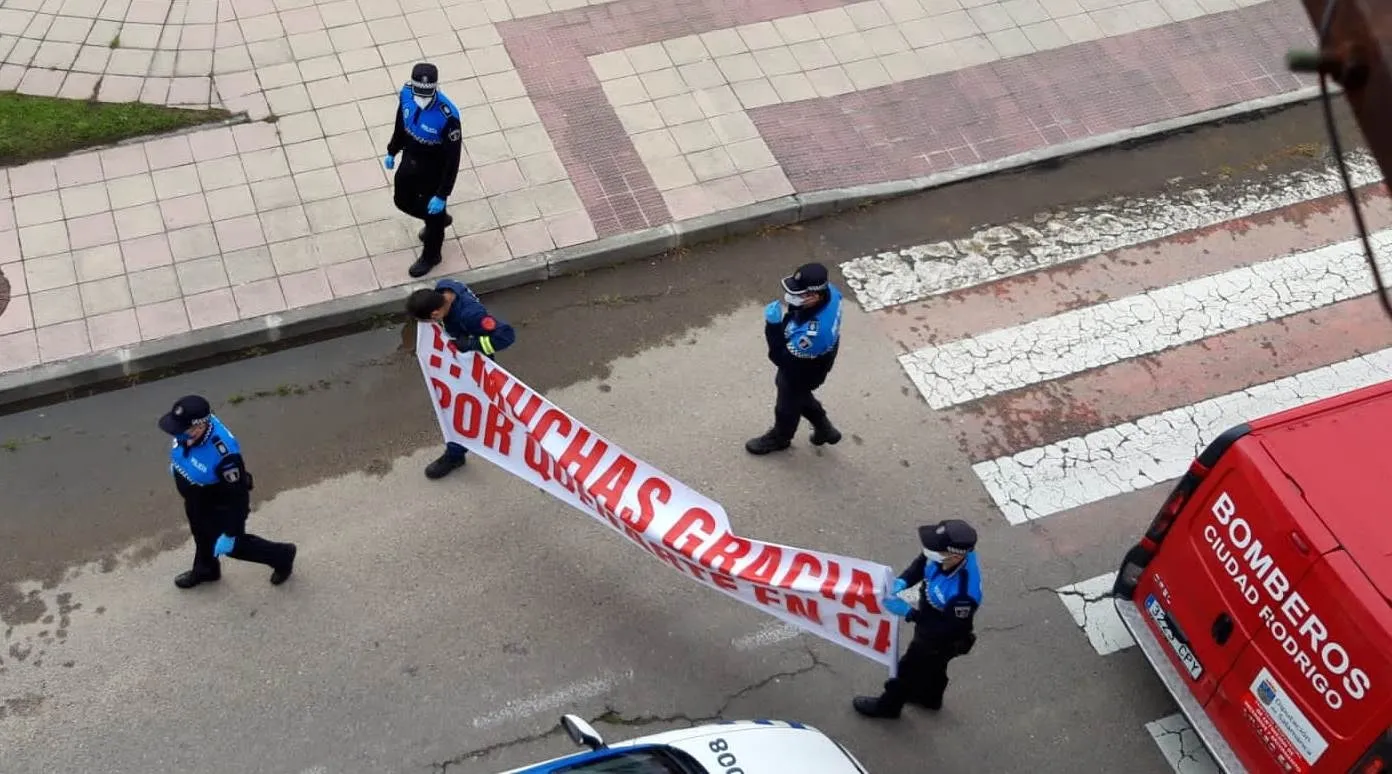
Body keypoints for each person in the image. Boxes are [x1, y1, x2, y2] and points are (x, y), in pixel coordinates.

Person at [158, 395, 297, 590]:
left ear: (199, 428)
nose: (175, 434)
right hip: (196, 498)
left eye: (180, 431)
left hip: (218, 503)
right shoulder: (188, 430)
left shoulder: (224, 455)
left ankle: (282, 555)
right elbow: (185, 451)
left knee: (234, 547)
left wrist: (232, 533)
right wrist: (179, 469)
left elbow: (238, 497)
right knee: (201, 534)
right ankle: (206, 569)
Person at [853, 519, 983, 719]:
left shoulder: (963, 594)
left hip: (942, 635)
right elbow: (922, 562)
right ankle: (930, 698)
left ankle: (888, 707)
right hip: (931, 612)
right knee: (935, 667)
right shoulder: (943, 554)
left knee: (908, 668)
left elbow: (947, 629)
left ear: (955, 556)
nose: (928, 549)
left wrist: (909, 613)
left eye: (935, 549)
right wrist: (903, 580)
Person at [407, 279, 517, 479]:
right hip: (458, 360)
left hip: (474, 366)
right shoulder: (444, 287)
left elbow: (506, 336)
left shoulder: (470, 316)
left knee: (462, 411)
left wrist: (472, 343)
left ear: (435, 313)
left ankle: (455, 454)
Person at [745, 262, 844, 455]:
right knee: (797, 394)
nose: (791, 297)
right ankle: (825, 429)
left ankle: (780, 438)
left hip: (806, 367)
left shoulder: (812, 335)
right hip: (822, 354)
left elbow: (780, 357)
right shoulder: (830, 291)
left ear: (814, 296)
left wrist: (772, 326)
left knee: (787, 403)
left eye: (799, 294)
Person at [383, 62, 463, 279]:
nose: (423, 97)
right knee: (401, 200)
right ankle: (437, 219)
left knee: (433, 216)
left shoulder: (448, 117)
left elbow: (453, 159)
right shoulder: (407, 94)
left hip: (434, 170)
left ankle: (432, 254)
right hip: (410, 159)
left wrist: (442, 194)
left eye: (428, 93)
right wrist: (392, 150)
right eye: (420, 92)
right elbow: (400, 124)